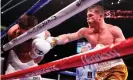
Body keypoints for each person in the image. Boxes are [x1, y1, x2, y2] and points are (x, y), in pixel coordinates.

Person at [46, 5, 128, 80]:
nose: (87, 18)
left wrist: (103, 51)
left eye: (90, 15)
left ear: (100, 16)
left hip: (115, 68)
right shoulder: (86, 32)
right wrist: (54, 40)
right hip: (99, 71)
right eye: (87, 16)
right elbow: (68, 37)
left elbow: (124, 51)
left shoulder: (114, 30)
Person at [6, 14, 52, 80]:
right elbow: (22, 58)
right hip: (16, 60)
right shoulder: (12, 33)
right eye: (27, 32)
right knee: (10, 78)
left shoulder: (43, 33)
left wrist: (41, 48)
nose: (29, 34)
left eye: (31, 31)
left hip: (31, 61)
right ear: (19, 27)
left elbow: (36, 61)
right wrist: (36, 53)